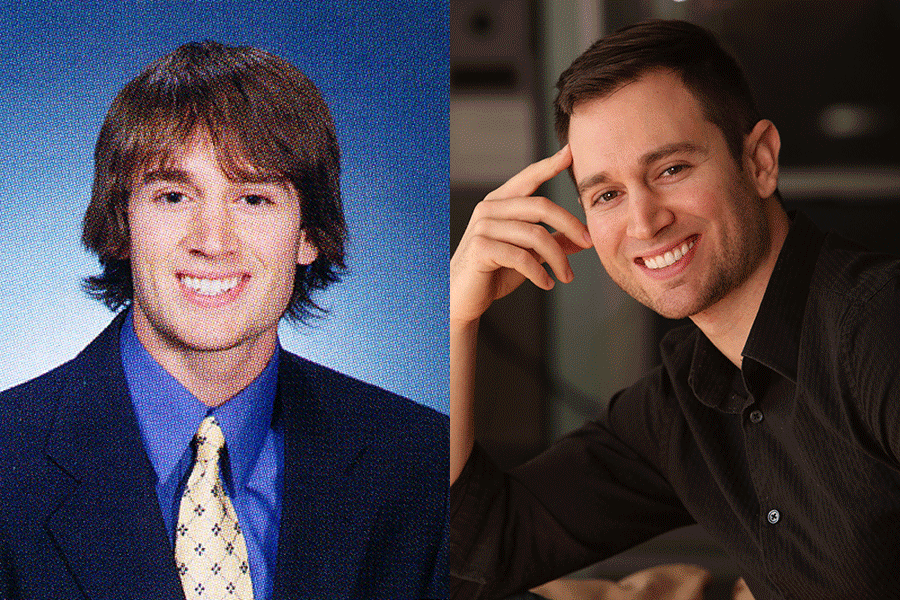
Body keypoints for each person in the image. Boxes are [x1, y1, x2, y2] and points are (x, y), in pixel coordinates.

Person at [450, 19, 900, 600]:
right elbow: (483, 548)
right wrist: (456, 321)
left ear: (760, 161)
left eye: (671, 170)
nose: (643, 221)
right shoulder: (686, 398)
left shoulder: (878, 332)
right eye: (607, 194)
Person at [0, 41, 447, 600]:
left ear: (307, 235)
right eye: (173, 196)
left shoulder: (420, 461)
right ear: (121, 226)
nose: (212, 242)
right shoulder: (8, 462)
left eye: (253, 199)